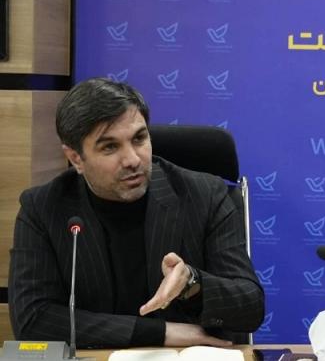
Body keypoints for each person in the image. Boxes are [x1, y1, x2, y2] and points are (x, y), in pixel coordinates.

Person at [9, 78, 265, 348]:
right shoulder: (43, 208)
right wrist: (158, 333)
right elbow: (32, 320)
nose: (132, 160)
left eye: (139, 139)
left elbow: (250, 307)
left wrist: (192, 284)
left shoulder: (204, 195)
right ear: (76, 158)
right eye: (109, 147)